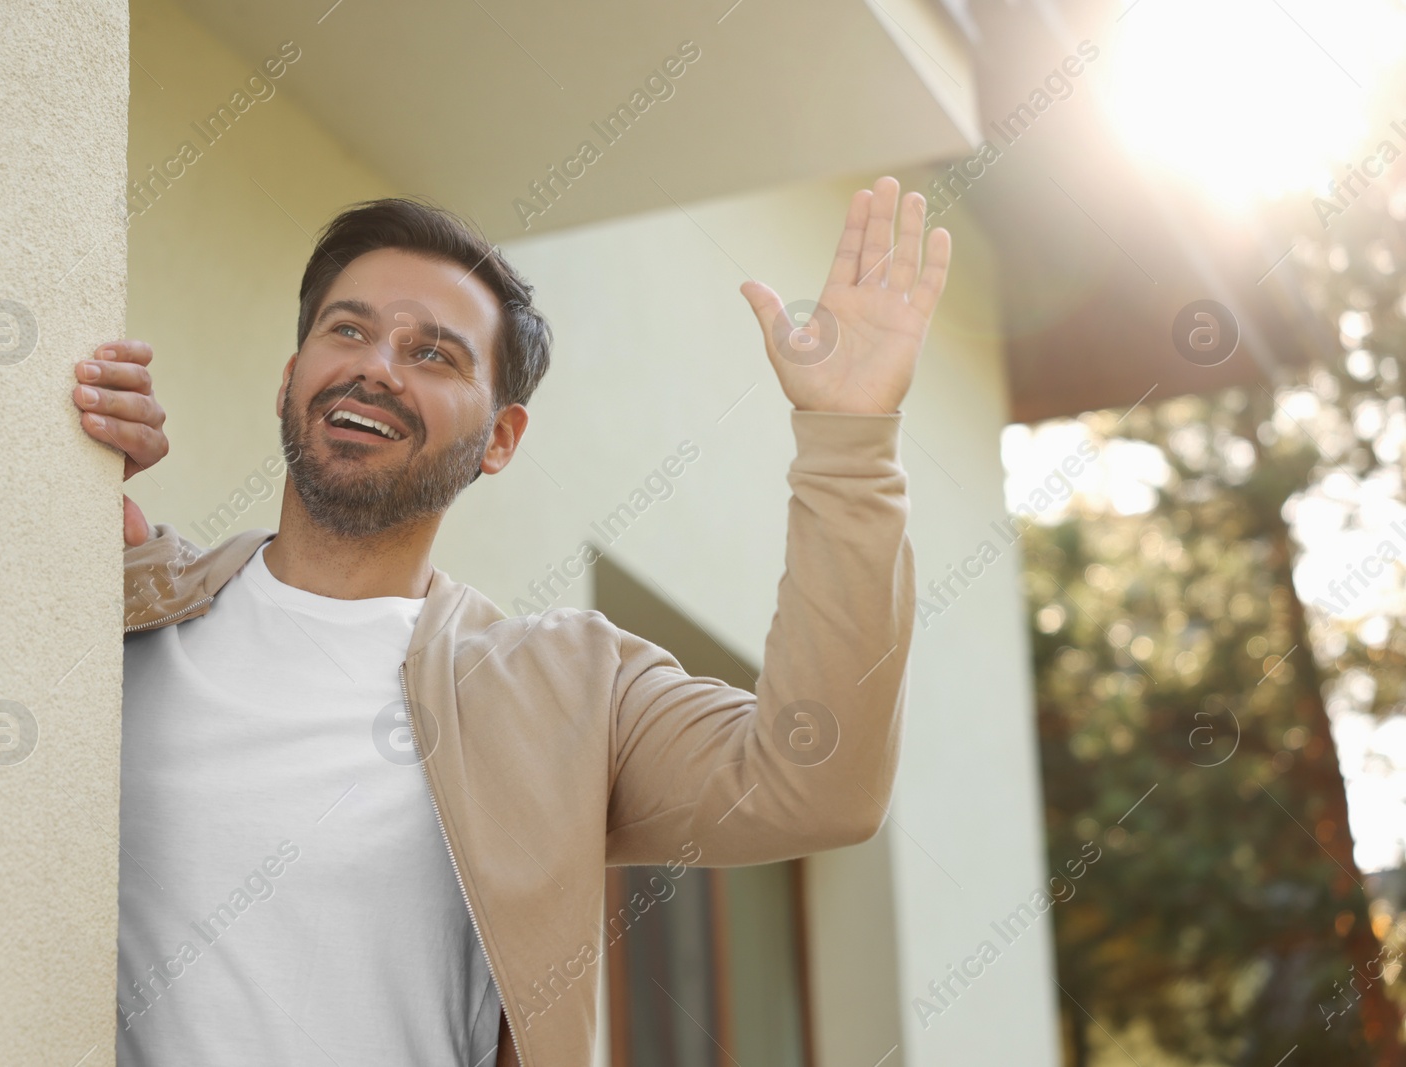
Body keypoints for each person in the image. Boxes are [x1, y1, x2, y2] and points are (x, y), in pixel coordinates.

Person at [72, 177, 949, 1067]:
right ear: (291, 377)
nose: (377, 365)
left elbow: (820, 782)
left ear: (501, 437)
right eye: (348, 329)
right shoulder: (130, 610)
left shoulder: (568, 687)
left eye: (436, 355)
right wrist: (58, 465)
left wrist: (850, 438)